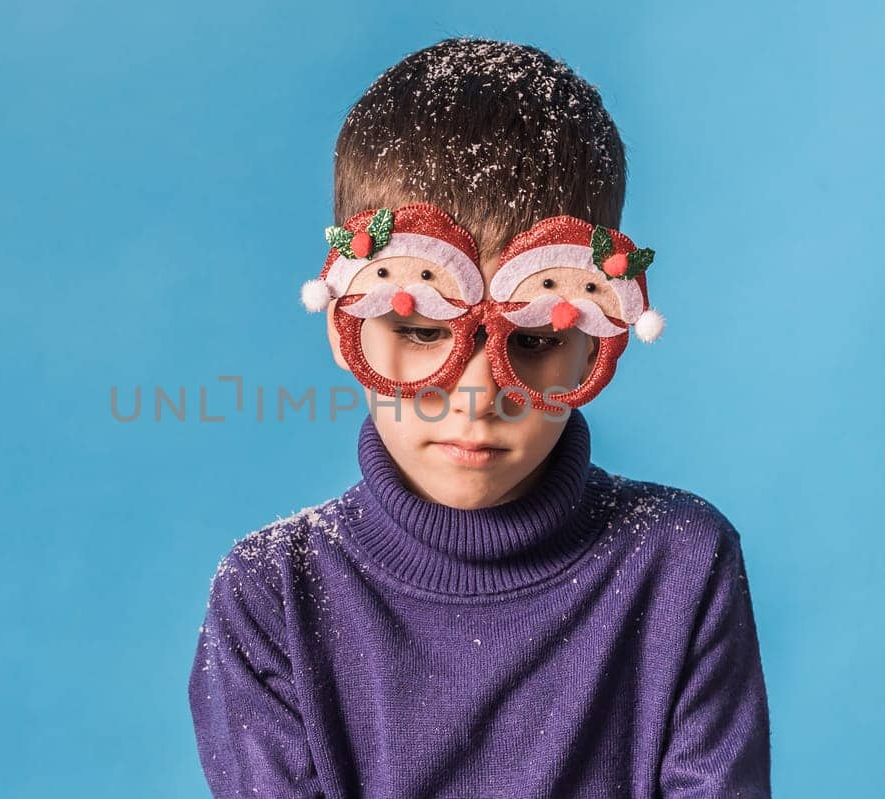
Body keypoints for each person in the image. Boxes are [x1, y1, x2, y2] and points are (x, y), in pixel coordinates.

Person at [188, 37, 770, 798]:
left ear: (599, 339)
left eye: (532, 340)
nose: (476, 394)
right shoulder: (272, 595)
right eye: (422, 328)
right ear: (344, 327)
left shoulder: (681, 566)